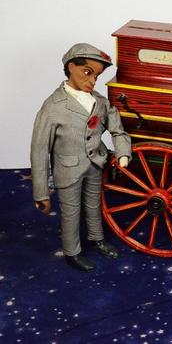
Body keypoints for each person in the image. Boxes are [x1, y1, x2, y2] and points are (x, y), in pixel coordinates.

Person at [30, 43, 132, 272]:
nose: (93, 81)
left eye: (96, 75)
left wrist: (123, 152)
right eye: (87, 72)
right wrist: (41, 192)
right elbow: (38, 151)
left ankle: (96, 239)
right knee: (71, 212)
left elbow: (118, 130)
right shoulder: (53, 107)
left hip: (95, 164)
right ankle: (72, 252)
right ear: (71, 67)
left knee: (94, 206)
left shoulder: (100, 102)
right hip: (68, 169)